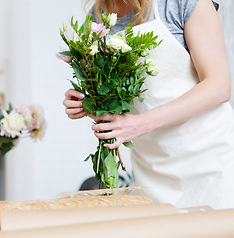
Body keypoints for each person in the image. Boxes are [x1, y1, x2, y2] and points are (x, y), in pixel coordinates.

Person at [63, 0, 234, 209]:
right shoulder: (98, 15)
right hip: (152, 171)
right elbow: (115, 98)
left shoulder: (181, 3)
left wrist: (141, 124)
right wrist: (88, 102)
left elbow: (218, 85)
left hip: (210, 161)